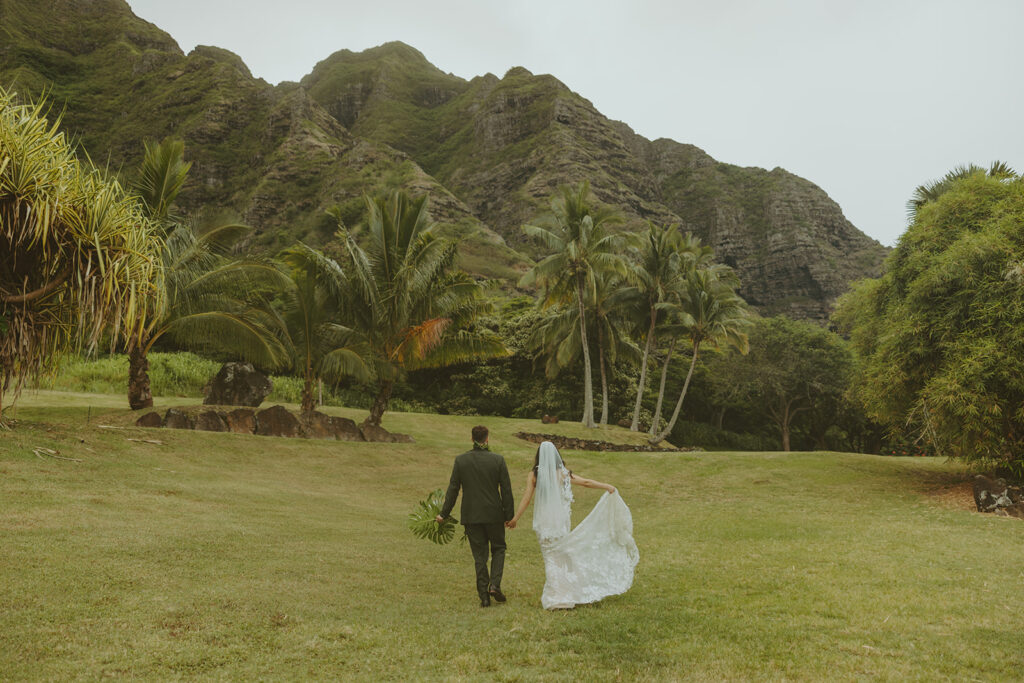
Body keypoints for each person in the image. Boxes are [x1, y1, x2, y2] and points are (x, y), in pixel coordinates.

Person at [507, 440, 639, 610]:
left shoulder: (534, 475)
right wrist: (607, 486)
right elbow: (586, 482)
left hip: (543, 522)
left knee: (550, 557)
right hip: (560, 522)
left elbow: (526, 498)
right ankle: (565, 594)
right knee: (562, 557)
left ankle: (556, 597)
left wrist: (515, 518)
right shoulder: (562, 473)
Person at [436, 425, 514, 607]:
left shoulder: (461, 461)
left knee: (480, 556)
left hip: (471, 516)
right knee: (499, 549)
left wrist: (443, 513)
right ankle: (494, 584)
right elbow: (507, 490)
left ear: (471, 439)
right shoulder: (498, 460)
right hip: (494, 514)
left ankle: (484, 597)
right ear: (487, 439)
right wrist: (509, 515)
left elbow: (453, 490)